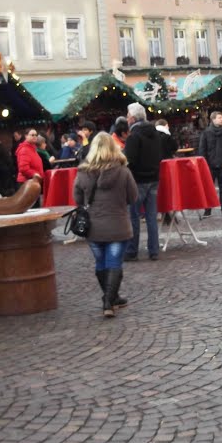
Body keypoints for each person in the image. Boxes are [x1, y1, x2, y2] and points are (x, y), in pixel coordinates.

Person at [73, 132, 138, 317]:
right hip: (118, 224)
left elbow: (77, 198)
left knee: (101, 263)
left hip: (93, 226)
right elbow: (133, 197)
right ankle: (109, 302)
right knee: (114, 263)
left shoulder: (83, 171)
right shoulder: (123, 170)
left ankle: (111, 298)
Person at [123, 103, 162, 262]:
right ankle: (154, 250)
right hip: (153, 178)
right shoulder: (155, 133)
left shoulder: (134, 136)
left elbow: (129, 160)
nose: (126, 119)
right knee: (151, 216)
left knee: (133, 216)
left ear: (132, 118)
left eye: (127, 116)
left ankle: (132, 251)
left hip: (137, 180)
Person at [198, 111, 222, 216]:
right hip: (210, 166)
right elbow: (202, 150)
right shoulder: (206, 132)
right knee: (208, 189)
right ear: (213, 120)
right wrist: (205, 165)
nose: (221, 119)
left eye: (221, 118)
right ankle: (207, 210)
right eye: (219, 118)